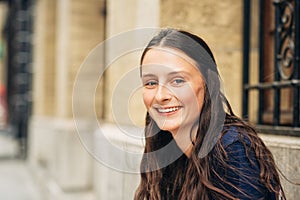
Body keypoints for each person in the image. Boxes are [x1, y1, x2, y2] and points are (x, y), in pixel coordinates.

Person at [134, 28, 285, 200]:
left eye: (177, 81)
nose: (160, 96)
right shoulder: (165, 147)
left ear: (208, 83)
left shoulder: (231, 149)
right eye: (151, 83)